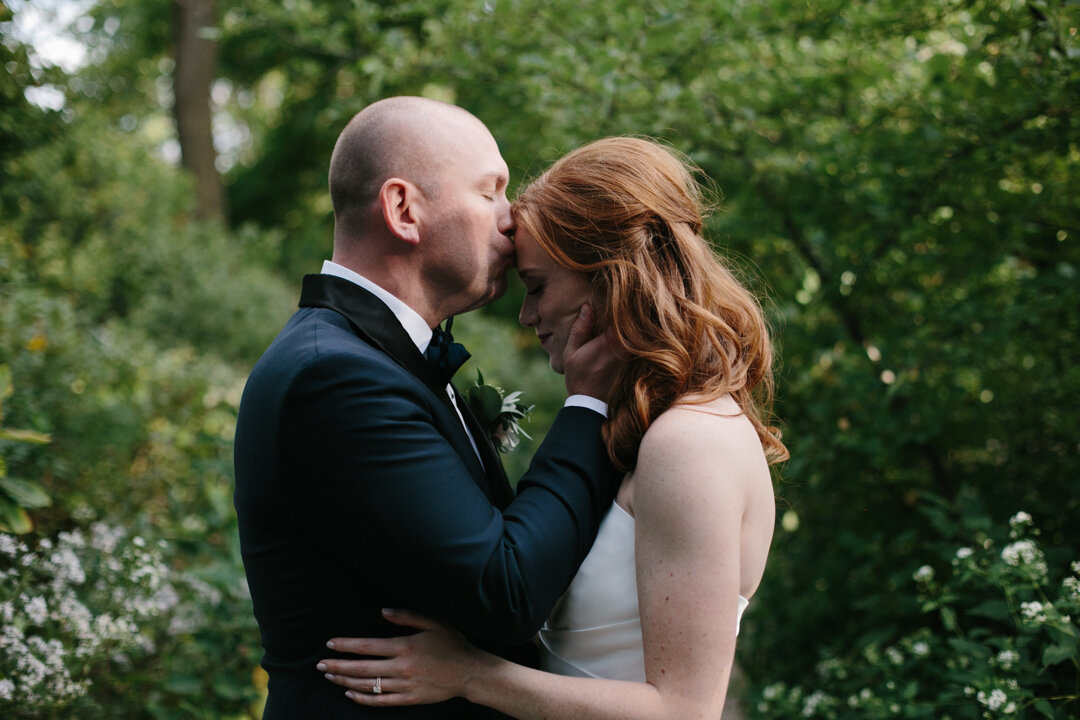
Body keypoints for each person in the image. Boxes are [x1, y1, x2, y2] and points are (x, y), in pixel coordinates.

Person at [316, 136, 789, 719]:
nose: (526, 314)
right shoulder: (643, 430)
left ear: (613, 278)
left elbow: (684, 711)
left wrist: (472, 674)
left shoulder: (689, 441)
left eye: (538, 286)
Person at [232, 97, 625, 719]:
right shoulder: (333, 377)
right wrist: (588, 404)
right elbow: (507, 590)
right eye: (490, 191)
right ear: (403, 209)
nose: (513, 218)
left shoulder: (379, 358)